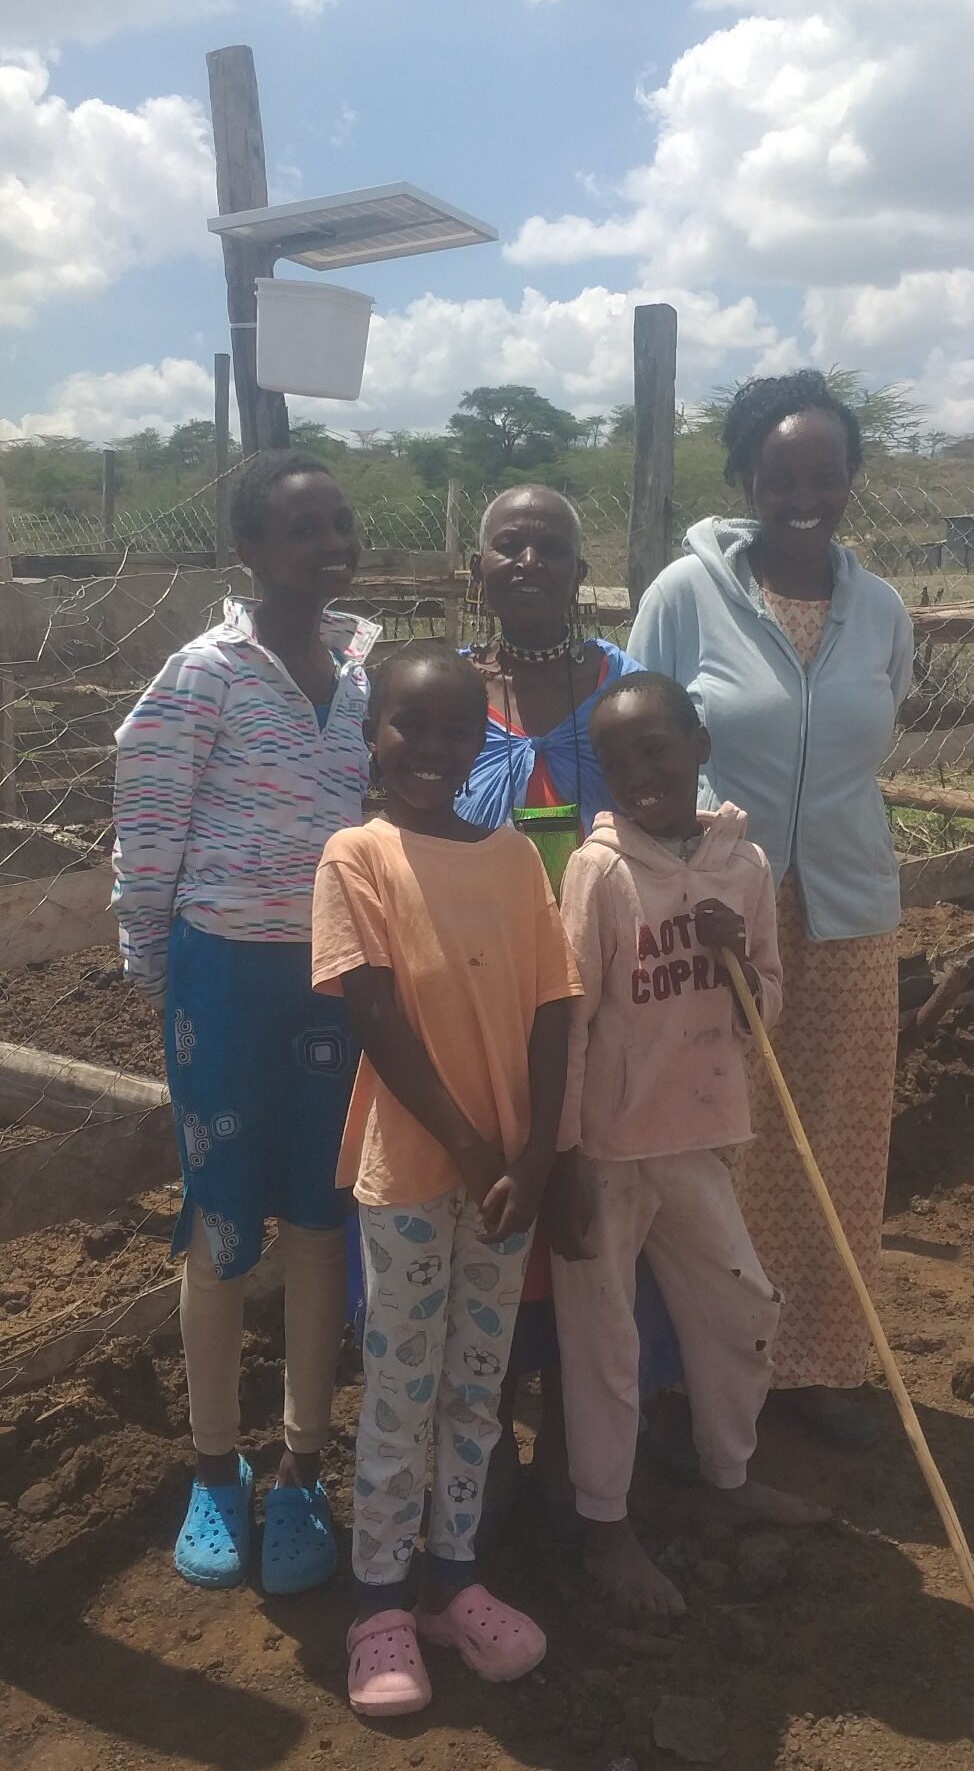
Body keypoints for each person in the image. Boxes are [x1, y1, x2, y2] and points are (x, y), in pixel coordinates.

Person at [628, 371, 913, 1452]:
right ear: (747, 478)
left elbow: (871, 733)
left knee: (834, 1140)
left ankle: (816, 1360)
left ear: (849, 483)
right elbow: (638, 741)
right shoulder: (683, 594)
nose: (804, 493)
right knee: (708, 1137)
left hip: (846, 907)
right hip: (711, 911)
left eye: (825, 474)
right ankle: (687, 1363)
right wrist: (679, 873)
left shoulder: (879, 608)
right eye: (781, 474)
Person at [112, 451, 379, 1591]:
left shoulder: (363, 670)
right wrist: (153, 965)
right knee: (221, 1223)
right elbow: (151, 818)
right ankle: (213, 1468)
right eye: (298, 528)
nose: (325, 543)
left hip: (331, 977)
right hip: (222, 976)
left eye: (337, 523)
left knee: (322, 1219)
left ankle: (303, 1466)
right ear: (250, 552)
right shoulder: (205, 672)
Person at [310, 641, 581, 1718]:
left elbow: (556, 1001)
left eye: (455, 730)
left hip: (508, 1175)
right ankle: (378, 1599)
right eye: (407, 727)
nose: (430, 748)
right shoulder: (356, 855)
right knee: (400, 1386)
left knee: (480, 1380)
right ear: (372, 732)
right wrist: (476, 1151)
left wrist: (534, 1154)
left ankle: (454, 1577)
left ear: (485, 740)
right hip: (420, 1171)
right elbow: (374, 1015)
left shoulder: (514, 858)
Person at [550, 671, 826, 1620]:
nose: (639, 771)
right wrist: (566, 1154)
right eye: (618, 759)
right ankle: (604, 1524)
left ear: (699, 746)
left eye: (657, 749)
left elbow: (767, 1009)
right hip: (610, 1147)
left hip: (702, 1133)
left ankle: (730, 1471)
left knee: (739, 1304)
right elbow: (571, 1016)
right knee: (604, 1340)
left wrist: (737, 958)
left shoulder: (741, 868)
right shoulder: (600, 872)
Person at [456, 485, 641, 1523]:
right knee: (495, 1214)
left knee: (590, 1226)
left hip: (603, 1001)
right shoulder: (440, 693)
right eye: (506, 543)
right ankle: (484, 1466)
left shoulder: (621, 688)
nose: (527, 559)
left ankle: (582, 1471)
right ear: (476, 568)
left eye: (550, 546)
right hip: (480, 1000)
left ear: (579, 571)